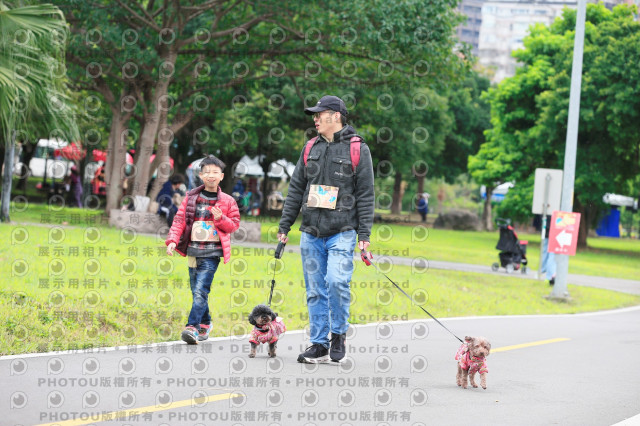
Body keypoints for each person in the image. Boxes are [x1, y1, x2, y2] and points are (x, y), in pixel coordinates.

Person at [277, 95, 375, 363]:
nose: (315, 118)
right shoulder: (310, 147)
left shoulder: (358, 149)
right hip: (311, 232)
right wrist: (285, 225)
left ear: (336, 116)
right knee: (315, 290)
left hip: (342, 230)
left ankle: (338, 334)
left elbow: (366, 195)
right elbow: (296, 188)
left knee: (336, 282)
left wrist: (364, 235)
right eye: (314, 114)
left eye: (320, 114)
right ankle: (319, 343)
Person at [165, 155, 240, 344]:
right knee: (196, 291)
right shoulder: (192, 198)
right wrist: (173, 240)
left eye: (215, 172)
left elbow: (233, 226)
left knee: (200, 290)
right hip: (193, 251)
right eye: (207, 172)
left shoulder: (228, 201)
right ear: (201, 175)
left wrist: (221, 218)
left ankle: (192, 327)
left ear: (221, 176)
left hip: (212, 254)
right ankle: (206, 323)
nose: (211, 175)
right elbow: (179, 220)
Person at [541, 215, 556, 285]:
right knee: (552, 255)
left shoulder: (546, 211)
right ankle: (550, 276)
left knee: (545, 253)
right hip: (553, 231)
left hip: (546, 231)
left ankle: (542, 270)